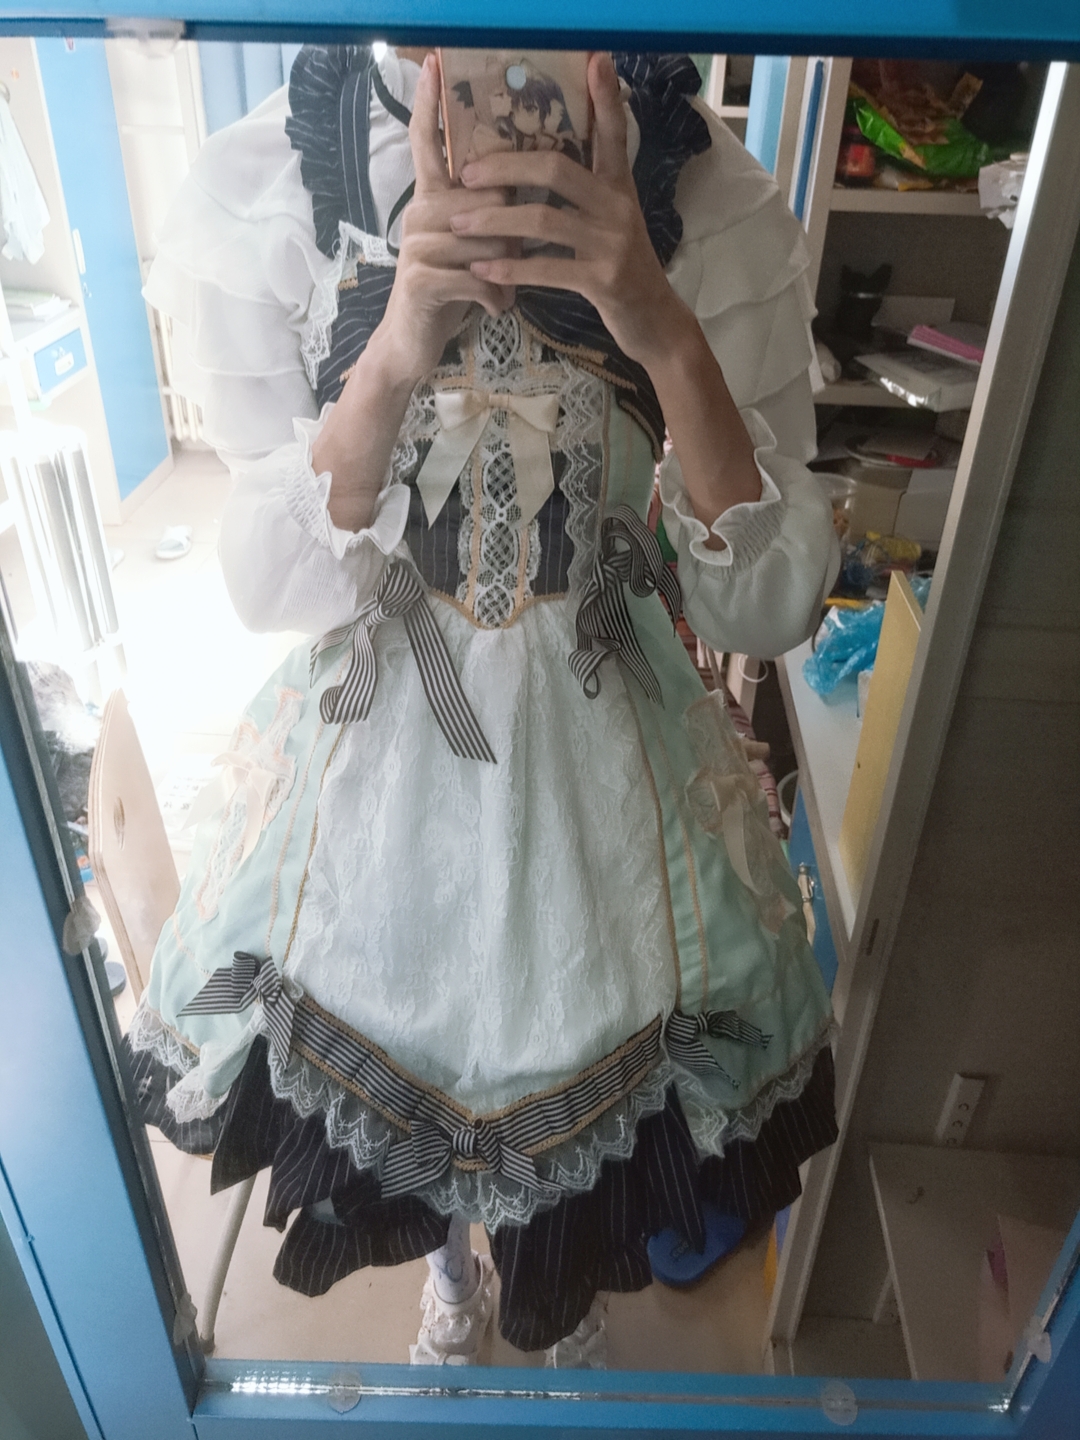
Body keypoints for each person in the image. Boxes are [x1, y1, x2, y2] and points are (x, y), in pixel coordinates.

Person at [130, 44, 840, 1367]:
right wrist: (398, 341)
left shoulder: (712, 197)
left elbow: (764, 607)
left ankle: (553, 1286)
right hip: (377, 743)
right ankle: (453, 1270)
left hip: (604, 747)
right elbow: (276, 584)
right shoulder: (273, 184)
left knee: (588, 1050)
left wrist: (654, 318)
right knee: (405, 1033)